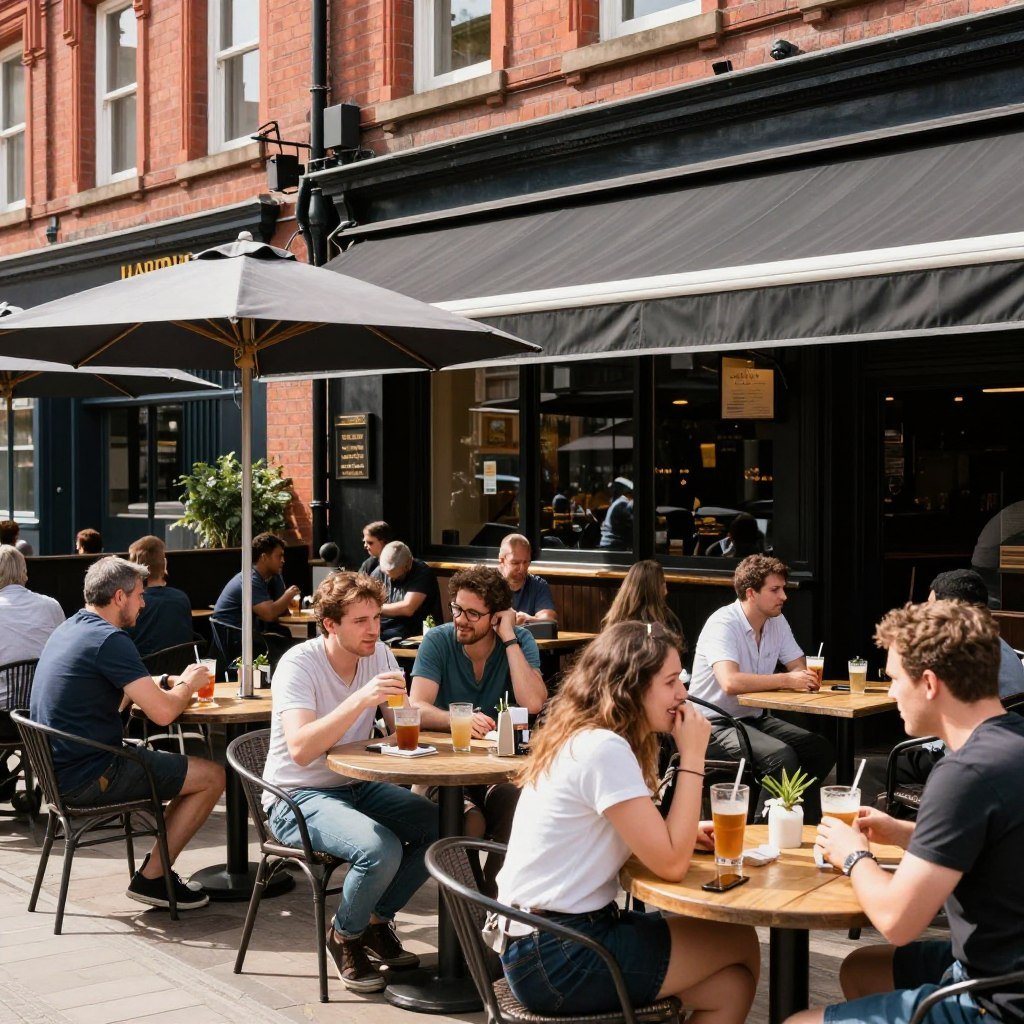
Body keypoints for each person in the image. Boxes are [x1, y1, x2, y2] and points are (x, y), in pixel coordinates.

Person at [496, 621, 760, 1020]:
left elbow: (643, 839)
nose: (683, 694)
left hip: (538, 942)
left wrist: (681, 833)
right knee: (739, 939)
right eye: (671, 682)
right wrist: (692, 757)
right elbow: (671, 865)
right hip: (560, 954)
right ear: (633, 687)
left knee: (730, 987)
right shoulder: (603, 748)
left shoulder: (587, 735)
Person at [788, 600, 1024, 1024]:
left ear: (929, 683)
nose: (891, 691)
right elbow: (988, 845)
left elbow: (897, 921)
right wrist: (902, 832)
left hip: (997, 1001)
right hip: (999, 965)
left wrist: (853, 855)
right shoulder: (1011, 742)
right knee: (862, 969)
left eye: (895, 678)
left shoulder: (962, 774)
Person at [262, 571, 437, 992]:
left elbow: (400, 726)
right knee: (380, 849)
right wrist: (361, 699)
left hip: (355, 783)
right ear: (330, 624)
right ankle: (344, 936)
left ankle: (375, 920)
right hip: (296, 794)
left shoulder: (379, 655)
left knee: (441, 827)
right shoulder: (298, 664)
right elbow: (302, 748)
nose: (373, 629)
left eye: (376, 617)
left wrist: (405, 711)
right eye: (360, 621)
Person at [28, 556, 224, 909]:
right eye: (139, 596)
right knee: (211, 776)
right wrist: (190, 684)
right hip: (92, 774)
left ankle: (154, 871)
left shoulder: (73, 627)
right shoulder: (109, 639)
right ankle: (153, 879)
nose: (144, 603)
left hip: (58, 773)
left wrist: (165, 681)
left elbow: (125, 684)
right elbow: (163, 714)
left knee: (182, 772)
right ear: (120, 597)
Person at [409, 565, 546, 892]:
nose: (460, 619)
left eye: (473, 613)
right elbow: (415, 706)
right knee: (467, 821)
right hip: (442, 769)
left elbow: (534, 703)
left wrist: (510, 638)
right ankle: (475, 906)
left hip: (500, 771)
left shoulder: (519, 641)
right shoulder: (439, 641)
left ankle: (491, 898)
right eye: (457, 607)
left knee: (521, 809)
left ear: (496, 616)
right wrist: (458, 720)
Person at [688, 554, 835, 822]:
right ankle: (763, 834)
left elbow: (798, 668)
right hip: (711, 725)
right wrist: (786, 680)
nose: (784, 597)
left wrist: (797, 677)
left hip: (752, 719)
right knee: (780, 757)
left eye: (783, 588)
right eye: (775, 590)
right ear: (751, 593)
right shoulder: (723, 623)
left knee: (819, 749)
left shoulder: (776, 621)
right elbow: (730, 681)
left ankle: (803, 824)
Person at [895, 568, 1024, 789]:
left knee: (879, 768)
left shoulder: (960, 653)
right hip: (1006, 753)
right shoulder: (999, 644)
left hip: (966, 755)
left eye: (930, 606)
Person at [212, 531, 300, 633]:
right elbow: (269, 615)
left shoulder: (267, 578)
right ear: (264, 558)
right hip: (234, 639)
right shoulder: (250, 579)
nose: (283, 560)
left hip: (245, 635)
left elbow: (283, 613)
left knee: (285, 633)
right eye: (279, 556)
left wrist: (278, 579)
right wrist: (289, 595)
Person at [125, 536, 193, 658]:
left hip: (142, 673)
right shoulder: (182, 598)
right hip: (181, 671)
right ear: (164, 564)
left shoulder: (133, 603)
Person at [371, 540, 441, 642]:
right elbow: (366, 598)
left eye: (397, 577)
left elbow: (407, 608)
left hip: (411, 629)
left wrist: (375, 608)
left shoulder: (422, 573)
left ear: (408, 565)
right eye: (387, 574)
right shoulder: (379, 571)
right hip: (382, 625)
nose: (391, 579)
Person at [602, 559, 684, 642]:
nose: (665, 584)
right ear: (658, 587)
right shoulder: (665, 621)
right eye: (662, 581)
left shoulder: (616, 617)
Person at [497, 534, 557, 625]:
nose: (522, 568)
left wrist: (527, 619)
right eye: (515, 563)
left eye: (526, 562)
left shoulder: (538, 585)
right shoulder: (488, 583)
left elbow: (549, 619)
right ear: (502, 561)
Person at [599, 476, 634, 550]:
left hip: (612, 545)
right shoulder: (621, 504)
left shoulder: (619, 503)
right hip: (612, 546)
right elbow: (631, 525)